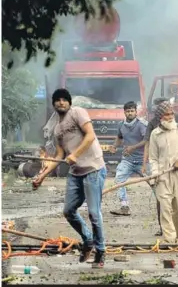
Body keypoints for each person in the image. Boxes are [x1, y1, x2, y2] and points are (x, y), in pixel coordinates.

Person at [32, 88, 108, 268]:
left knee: (94, 213)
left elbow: (90, 136)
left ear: (69, 102)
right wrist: (41, 176)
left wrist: (75, 155)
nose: (61, 102)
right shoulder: (57, 129)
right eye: (57, 100)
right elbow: (59, 155)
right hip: (76, 174)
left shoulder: (78, 113)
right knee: (68, 211)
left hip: (94, 169)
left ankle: (101, 251)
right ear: (53, 104)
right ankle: (88, 240)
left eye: (64, 99)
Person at [143, 98, 178, 237]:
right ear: (160, 117)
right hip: (163, 176)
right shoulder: (155, 134)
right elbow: (153, 158)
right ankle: (169, 239)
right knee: (165, 208)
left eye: (171, 114)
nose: (170, 117)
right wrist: (154, 174)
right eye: (167, 114)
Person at [109, 101, 148, 216]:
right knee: (119, 180)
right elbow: (119, 138)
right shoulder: (121, 125)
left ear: (136, 112)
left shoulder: (142, 125)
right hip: (128, 160)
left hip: (142, 161)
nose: (130, 113)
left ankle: (167, 206)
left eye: (132, 111)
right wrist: (114, 146)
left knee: (155, 183)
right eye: (128, 111)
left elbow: (146, 140)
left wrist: (133, 147)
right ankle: (124, 207)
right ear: (124, 112)